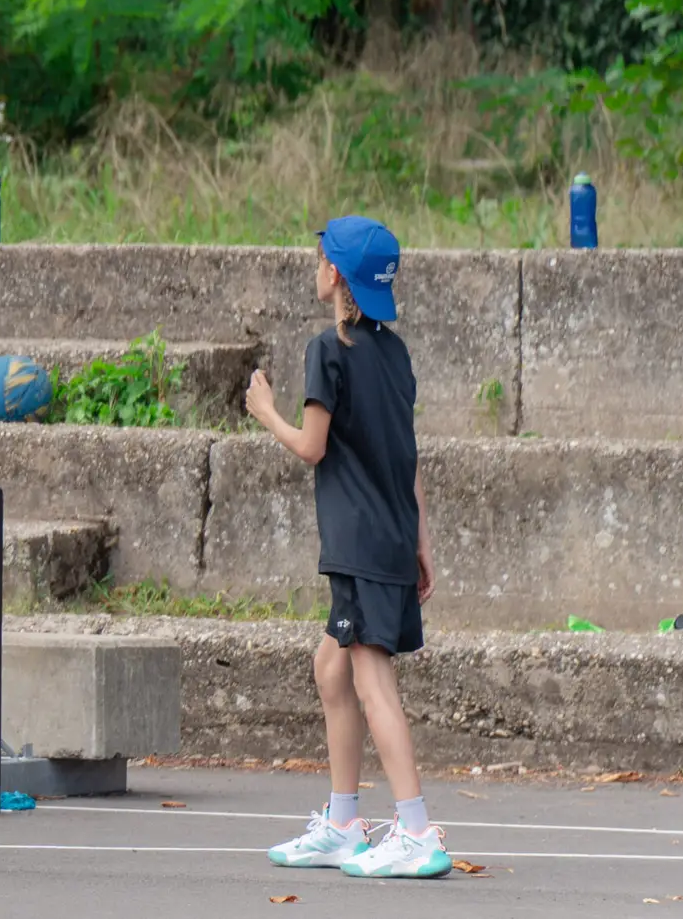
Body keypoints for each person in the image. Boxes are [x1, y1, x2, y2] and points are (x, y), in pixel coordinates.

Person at [247, 216, 450, 880]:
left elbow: (311, 445)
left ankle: (416, 829)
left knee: (370, 680)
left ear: (334, 274)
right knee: (330, 668)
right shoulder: (394, 353)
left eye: (320, 257)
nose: (315, 264)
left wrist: (266, 411)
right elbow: (407, 456)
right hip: (386, 538)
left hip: (359, 546)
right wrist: (420, 539)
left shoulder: (326, 348)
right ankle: (342, 822)